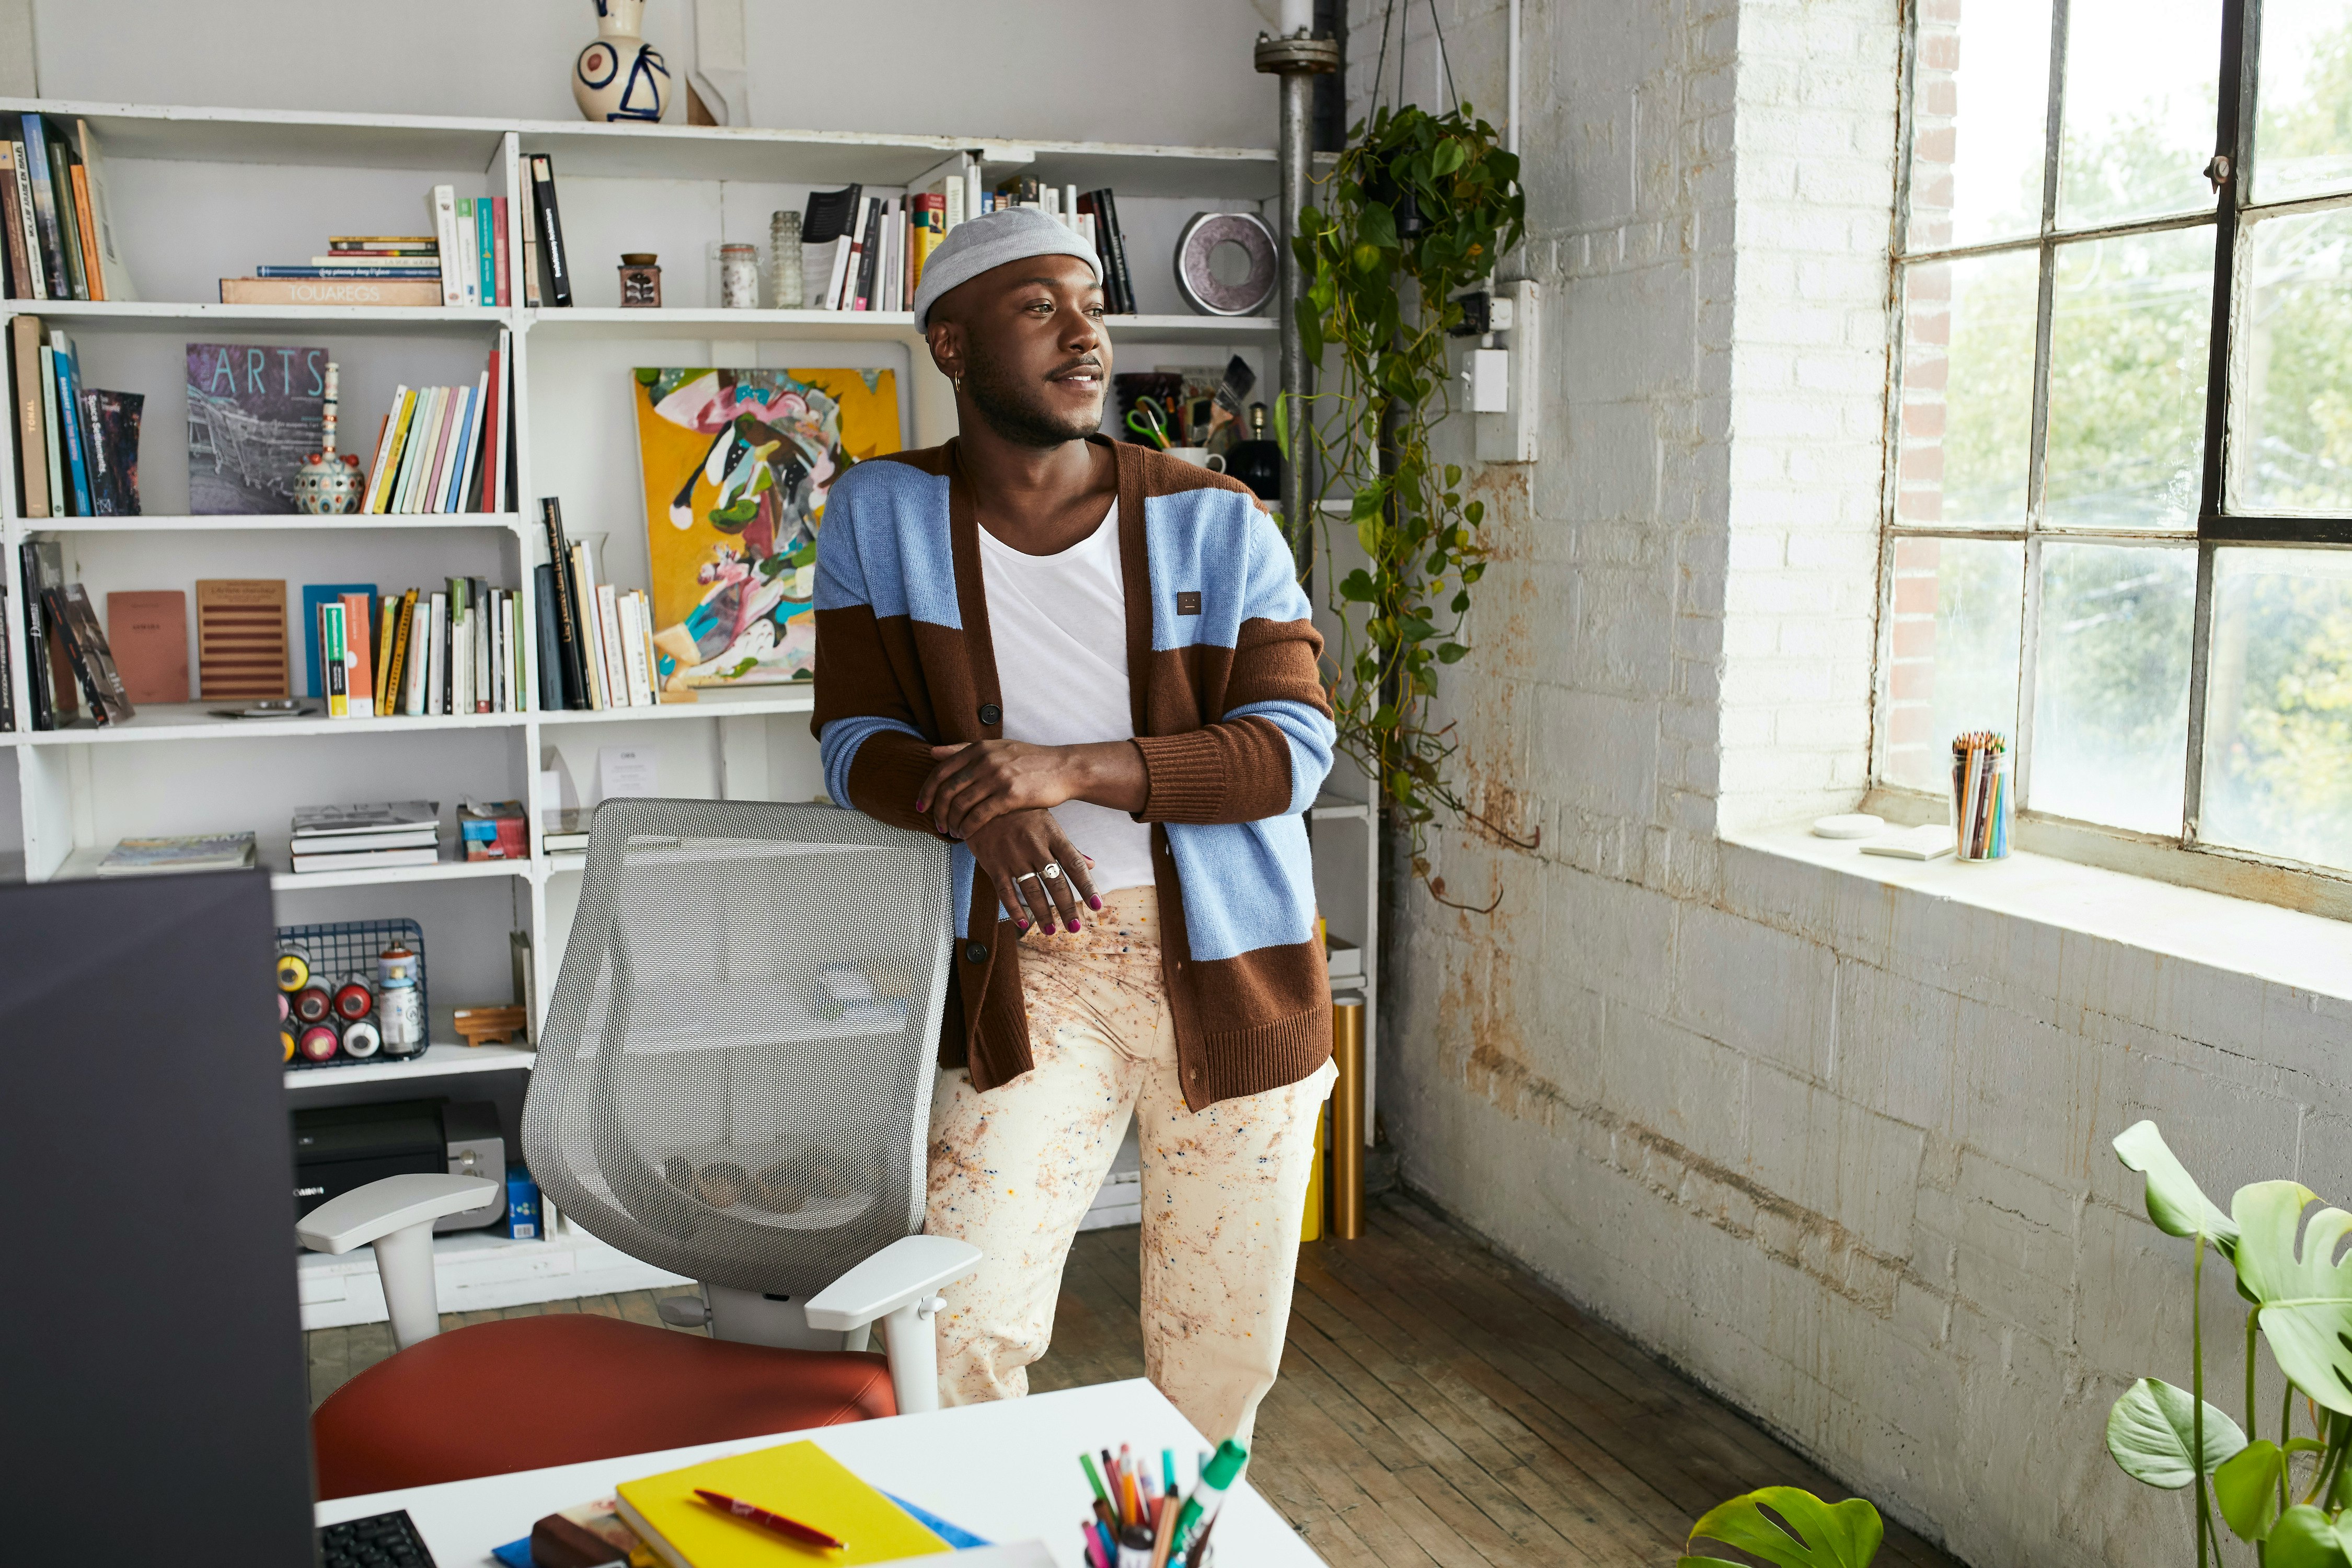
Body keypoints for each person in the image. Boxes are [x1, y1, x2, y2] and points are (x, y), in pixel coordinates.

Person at [810, 206, 1336, 1445]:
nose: (1084, 334)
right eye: (1039, 308)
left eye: (1091, 305)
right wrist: (977, 814)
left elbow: (1291, 752)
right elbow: (853, 745)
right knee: (957, 1324)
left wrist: (1062, 771)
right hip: (1029, 970)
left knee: (1216, 1357)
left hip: (1232, 970)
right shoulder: (881, 515)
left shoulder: (1217, 523)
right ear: (952, 343)